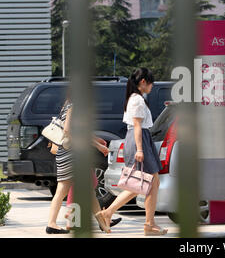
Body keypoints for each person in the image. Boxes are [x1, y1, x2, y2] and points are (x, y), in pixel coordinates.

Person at [97, 68, 168, 236]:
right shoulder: (136, 100)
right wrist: (140, 149)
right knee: (147, 183)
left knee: (148, 183)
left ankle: (111, 214)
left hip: (142, 139)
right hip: (139, 140)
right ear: (143, 82)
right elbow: (137, 126)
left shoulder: (136, 98)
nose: (152, 86)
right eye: (150, 82)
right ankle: (147, 224)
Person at [45, 98, 112, 234]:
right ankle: (53, 223)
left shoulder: (67, 105)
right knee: (66, 189)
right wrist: (98, 146)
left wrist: (95, 140)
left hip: (66, 152)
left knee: (83, 188)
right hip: (71, 154)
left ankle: (102, 222)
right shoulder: (73, 106)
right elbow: (69, 131)